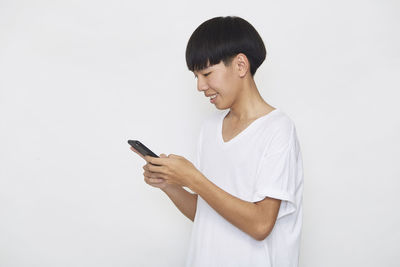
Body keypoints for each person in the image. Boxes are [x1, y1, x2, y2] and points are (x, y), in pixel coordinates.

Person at [130, 16, 304, 267]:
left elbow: (260, 225)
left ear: (241, 65)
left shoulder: (278, 129)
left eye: (207, 73)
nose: (200, 86)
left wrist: (192, 178)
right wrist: (169, 185)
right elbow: (207, 215)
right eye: (196, 77)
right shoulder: (210, 128)